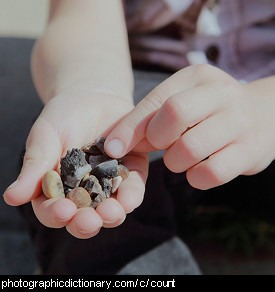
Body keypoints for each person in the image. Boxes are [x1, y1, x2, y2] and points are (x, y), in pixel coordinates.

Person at [3, 0, 275, 274]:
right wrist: (90, 85)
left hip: (265, 100)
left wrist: (264, 104)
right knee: (99, 227)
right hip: (139, 88)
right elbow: (81, 13)